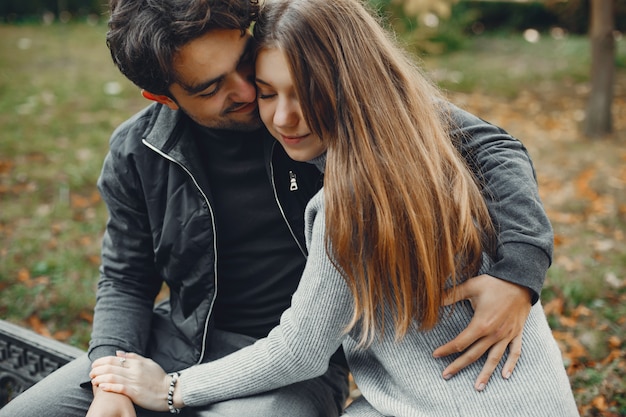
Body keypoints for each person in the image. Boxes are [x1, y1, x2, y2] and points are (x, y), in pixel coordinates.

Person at [0, 0, 556, 416]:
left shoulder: (321, 105)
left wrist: (518, 272)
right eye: (213, 86)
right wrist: (110, 380)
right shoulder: (136, 150)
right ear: (163, 96)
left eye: (245, 63)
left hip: (294, 356)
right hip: (180, 340)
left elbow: (488, 145)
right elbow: (124, 277)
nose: (249, 90)